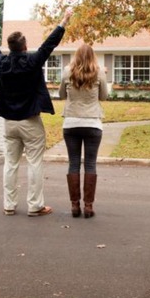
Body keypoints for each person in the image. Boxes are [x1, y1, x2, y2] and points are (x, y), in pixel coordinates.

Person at [0, 9, 72, 217]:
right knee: (35, 162)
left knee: (10, 164)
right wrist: (64, 21)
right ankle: (35, 205)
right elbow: (49, 44)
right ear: (25, 46)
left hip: (10, 123)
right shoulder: (32, 62)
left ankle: (9, 206)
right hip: (30, 121)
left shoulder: (2, 63)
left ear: (10, 48)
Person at [59, 44, 108, 218]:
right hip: (93, 123)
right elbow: (104, 96)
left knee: (73, 162)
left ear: (76, 56)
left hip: (71, 123)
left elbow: (61, 96)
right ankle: (88, 206)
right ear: (93, 56)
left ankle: (74, 206)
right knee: (90, 163)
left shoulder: (67, 72)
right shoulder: (99, 72)